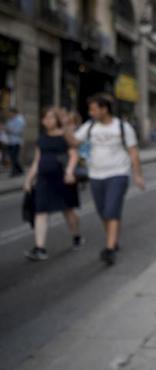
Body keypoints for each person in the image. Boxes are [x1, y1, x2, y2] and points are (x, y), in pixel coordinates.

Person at [65, 93, 145, 266]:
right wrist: (66, 127)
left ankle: (109, 249)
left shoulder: (123, 127)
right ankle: (113, 238)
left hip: (118, 173)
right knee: (103, 212)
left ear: (104, 109)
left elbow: (133, 152)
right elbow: (74, 142)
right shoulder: (90, 126)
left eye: (93, 109)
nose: (90, 112)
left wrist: (137, 174)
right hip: (95, 175)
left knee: (111, 209)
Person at [23, 107, 83, 261]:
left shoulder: (65, 136)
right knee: (40, 211)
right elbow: (37, 161)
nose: (47, 120)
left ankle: (76, 236)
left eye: (51, 117)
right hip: (44, 180)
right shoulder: (41, 139)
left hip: (62, 179)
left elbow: (74, 155)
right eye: (45, 118)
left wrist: (69, 171)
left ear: (57, 120)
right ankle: (40, 248)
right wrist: (29, 179)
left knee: (67, 210)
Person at [4, 107, 25, 176]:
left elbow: (19, 131)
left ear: (14, 112)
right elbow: (6, 128)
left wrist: (9, 130)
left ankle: (14, 172)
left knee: (14, 157)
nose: (9, 114)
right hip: (10, 141)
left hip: (16, 142)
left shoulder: (20, 120)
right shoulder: (10, 119)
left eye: (10, 113)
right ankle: (20, 170)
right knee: (12, 157)